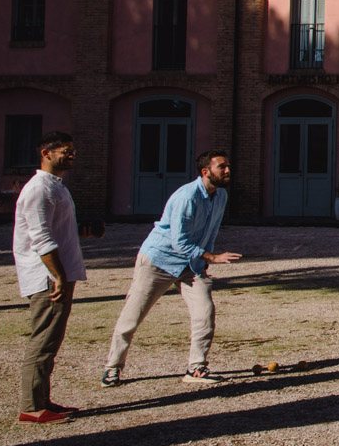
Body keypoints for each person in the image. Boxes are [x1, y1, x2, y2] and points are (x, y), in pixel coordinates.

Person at [103, 149, 242, 387]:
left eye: (228, 166)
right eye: (222, 167)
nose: (228, 171)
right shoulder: (186, 196)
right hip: (159, 261)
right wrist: (211, 256)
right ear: (205, 172)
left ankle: (196, 368)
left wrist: (204, 262)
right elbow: (179, 242)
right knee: (133, 316)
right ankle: (112, 368)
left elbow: (210, 232)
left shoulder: (220, 196)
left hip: (191, 264)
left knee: (204, 312)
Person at [13, 131, 87, 424]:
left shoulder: (56, 187)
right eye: (65, 151)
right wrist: (56, 275)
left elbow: (56, 229)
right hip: (48, 278)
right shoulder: (38, 189)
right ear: (46, 152)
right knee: (43, 341)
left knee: (51, 341)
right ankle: (31, 408)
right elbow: (40, 238)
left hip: (59, 275)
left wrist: (86, 233)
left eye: (72, 151)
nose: (71, 155)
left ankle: (42, 400)